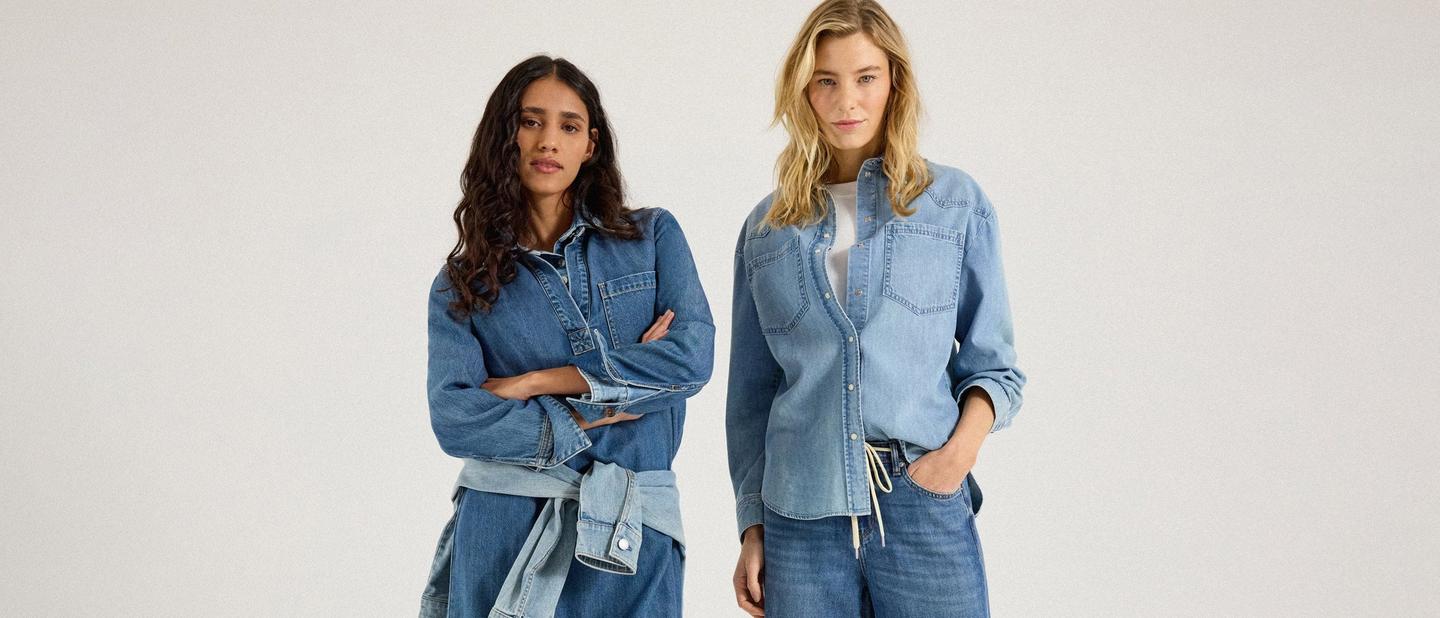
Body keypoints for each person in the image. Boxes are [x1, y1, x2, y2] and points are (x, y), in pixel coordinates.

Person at [726, 1, 1026, 616]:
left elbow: (995, 368)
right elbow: (751, 397)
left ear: (894, 82)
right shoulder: (766, 229)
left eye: (866, 78)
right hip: (799, 518)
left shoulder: (953, 205)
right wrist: (752, 527)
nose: (847, 102)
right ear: (803, 91)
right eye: (826, 81)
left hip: (920, 499)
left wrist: (953, 461)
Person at [418, 54, 714, 618]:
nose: (548, 140)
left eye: (569, 126)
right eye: (530, 121)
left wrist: (534, 382)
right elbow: (454, 418)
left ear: (590, 145)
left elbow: (691, 360)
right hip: (503, 525)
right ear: (505, 136)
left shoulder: (652, 237)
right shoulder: (463, 282)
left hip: (632, 530)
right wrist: (603, 403)